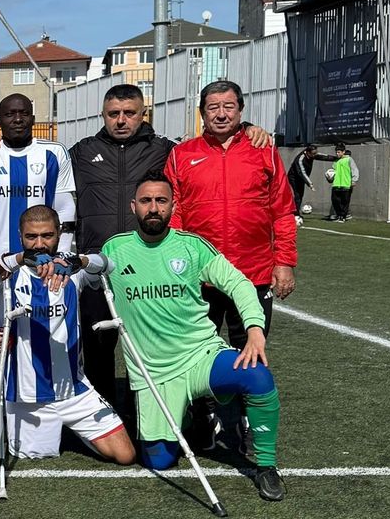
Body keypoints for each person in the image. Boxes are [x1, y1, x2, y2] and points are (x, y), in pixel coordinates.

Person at [68, 84, 273, 410]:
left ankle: (147, 413)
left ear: (143, 114)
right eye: (113, 113)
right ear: (103, 115)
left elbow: (217, 137)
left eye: (129, 113)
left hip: (149, 268)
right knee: (97, 348)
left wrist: (248, 129)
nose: (121, 120)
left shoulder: (165, 149)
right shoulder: (81, 152)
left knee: (150, 346)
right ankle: (103, 418)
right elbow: (44, 164)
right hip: (99, 269)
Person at [98, 171, 285, 502]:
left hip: (200, 355)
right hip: (153, 374)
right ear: (133, 206)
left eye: (161, 201)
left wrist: (255, 329)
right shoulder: (115, 249)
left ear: (173, 206)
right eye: (146, 201)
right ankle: (189, 413)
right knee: (159, 461)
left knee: (256, 375)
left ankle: (266, 466)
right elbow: (85, 274)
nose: (153, 208)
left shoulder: (192, 247)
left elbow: (238, 283)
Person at [164, 81, 295, 452]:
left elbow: (283, 211)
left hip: (252, 273)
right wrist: (178, 265)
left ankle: (250, 424)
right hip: (199, 278)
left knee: (249, 350)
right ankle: (205, 419)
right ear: (202, 113)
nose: (221, 114)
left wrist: (284, 261)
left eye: (228, 107)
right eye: (213, 107)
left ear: (240, 110)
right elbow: (176, 212)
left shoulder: (263, 150)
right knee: (194, 352)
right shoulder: (182, 155)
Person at [0, 205, 134, 464]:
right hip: (28, 396)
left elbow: (108, 266)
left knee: (125, 455)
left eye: (47, 236)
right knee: (37, 461)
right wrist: (21, 258)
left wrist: (80, 261)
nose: (39, 244)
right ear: (20, 236)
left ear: (59, 233)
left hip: (75, 390)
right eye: (31, 237)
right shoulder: (10, 271)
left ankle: (74, 428)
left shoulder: (71, 269)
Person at [0, 94, 76, 256]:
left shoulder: (55, 153)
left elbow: (65, 209)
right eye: (10, 114)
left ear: (33, 119)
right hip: (0, 260)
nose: (18, 119)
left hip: (44, 261)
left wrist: (62, 254)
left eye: (24, 113)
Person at [287, 145, 329, 219]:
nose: (315, 155)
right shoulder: (300, 159)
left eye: (316, 153)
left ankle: (295, 213)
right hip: (294, 177)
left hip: (301, 178)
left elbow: (324, 157)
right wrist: (310, 184)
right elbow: (302, 172)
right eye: (313, 153)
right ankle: (295, 214)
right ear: (308, 153)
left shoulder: (313, 155)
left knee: (300, 195)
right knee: (298, 194)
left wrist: (336, 158)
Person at [326, 144, 360, 222]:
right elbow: (333, 171)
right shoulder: (336, 161)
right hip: (336, 184)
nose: (337, 154)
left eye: (339, 152)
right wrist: (329, 177)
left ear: (343, 152)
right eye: (336, 152)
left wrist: (354, 180)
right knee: (335, 201)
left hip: (346, 184)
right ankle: (339, 215)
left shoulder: (349, 159)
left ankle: (343, 217)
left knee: (345, 202)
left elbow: (354, 170)